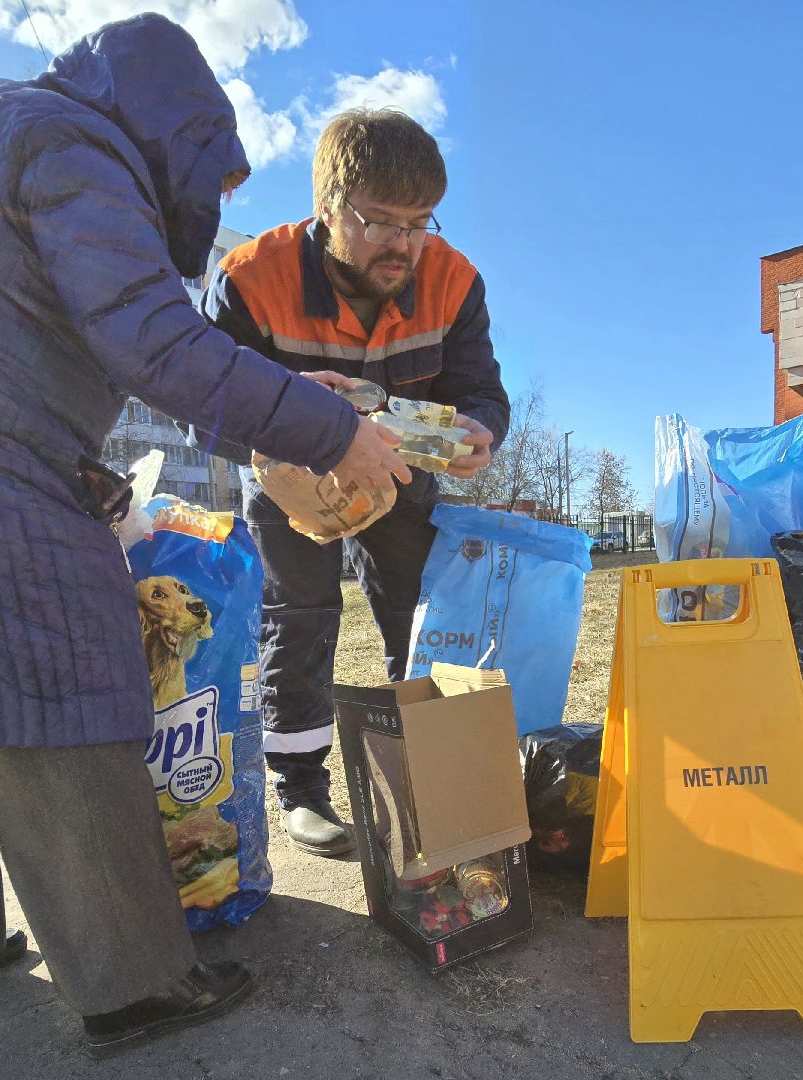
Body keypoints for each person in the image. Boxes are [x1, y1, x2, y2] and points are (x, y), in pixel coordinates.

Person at [0, 14, 407, 1058]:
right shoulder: (75, 144)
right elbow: (151, 339)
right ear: (179, 128)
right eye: (218, 171)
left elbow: (35, 333)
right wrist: (333, 432)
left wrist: (282, 395)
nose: (217, 199)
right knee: (58, 671)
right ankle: (133, 982)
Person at [201, 109, 510, 857]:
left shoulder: (454, 276)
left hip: (403, 480)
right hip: (293, 484)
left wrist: (479, 432)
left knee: (419, 616)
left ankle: (425, 778)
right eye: (381, 222)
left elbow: (482, 389)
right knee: (298, 614)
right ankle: (301, 788)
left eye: (419, 223)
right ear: (327, 207)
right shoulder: (248, 278)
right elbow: (205, 415)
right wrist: (298, 409)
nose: (404, 244)